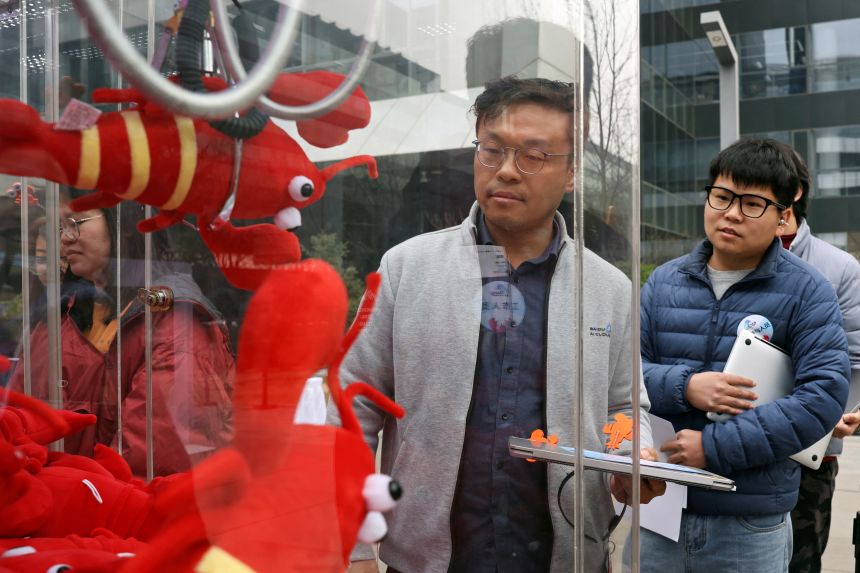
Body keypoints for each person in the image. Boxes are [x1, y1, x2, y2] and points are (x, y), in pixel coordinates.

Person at [334, 76, 663, 573]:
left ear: (572, 173)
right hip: (428, 560)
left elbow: (621, 406)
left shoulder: (607, 288)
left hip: (564, 557)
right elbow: (351, 409)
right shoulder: (406, 268)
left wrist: (629, 454)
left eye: (533, 156)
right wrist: (353, 545)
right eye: (492, 150)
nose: (506, 171)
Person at [639, 138, 850, 572]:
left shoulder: (808, 292)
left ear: (782, 216)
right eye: (721, 196)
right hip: (660, 512)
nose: (731, 213)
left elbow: (822, 398)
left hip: (749, 525)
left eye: (752, 203)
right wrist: (686, 387)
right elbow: (622, 375)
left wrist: (714, 448)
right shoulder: (662, 283)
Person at [9, 191, 235, 477]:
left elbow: (152, 459)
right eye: (59, 228)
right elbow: (17, 415)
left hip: (112, 508)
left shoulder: (174, 322)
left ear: (124, 224)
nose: (64, 240)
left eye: (75, 223)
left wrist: (71, 495)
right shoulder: (61, 315)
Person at [778, 144, 860, 573]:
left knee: (801, 560)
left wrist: (847, 413)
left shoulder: (839, 267)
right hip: (733, 445)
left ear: (794, 194)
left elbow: (856, 355)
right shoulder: (721, 257)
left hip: (811, 452)